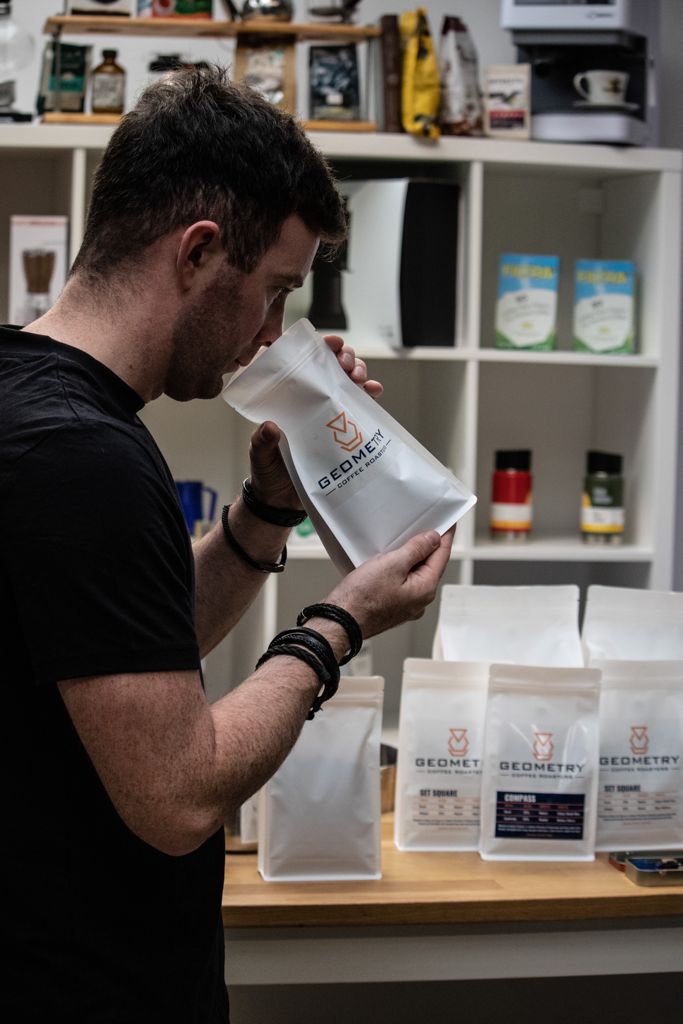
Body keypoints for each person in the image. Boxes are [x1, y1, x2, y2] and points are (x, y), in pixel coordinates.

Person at [0, 66, 454, 1022]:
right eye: (274, 291)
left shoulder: (28, 398)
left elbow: (122, 652)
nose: (271, 334)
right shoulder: (84, 457)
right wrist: (339, 624)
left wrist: (267, 508)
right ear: (200, 251)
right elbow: (178, 795)